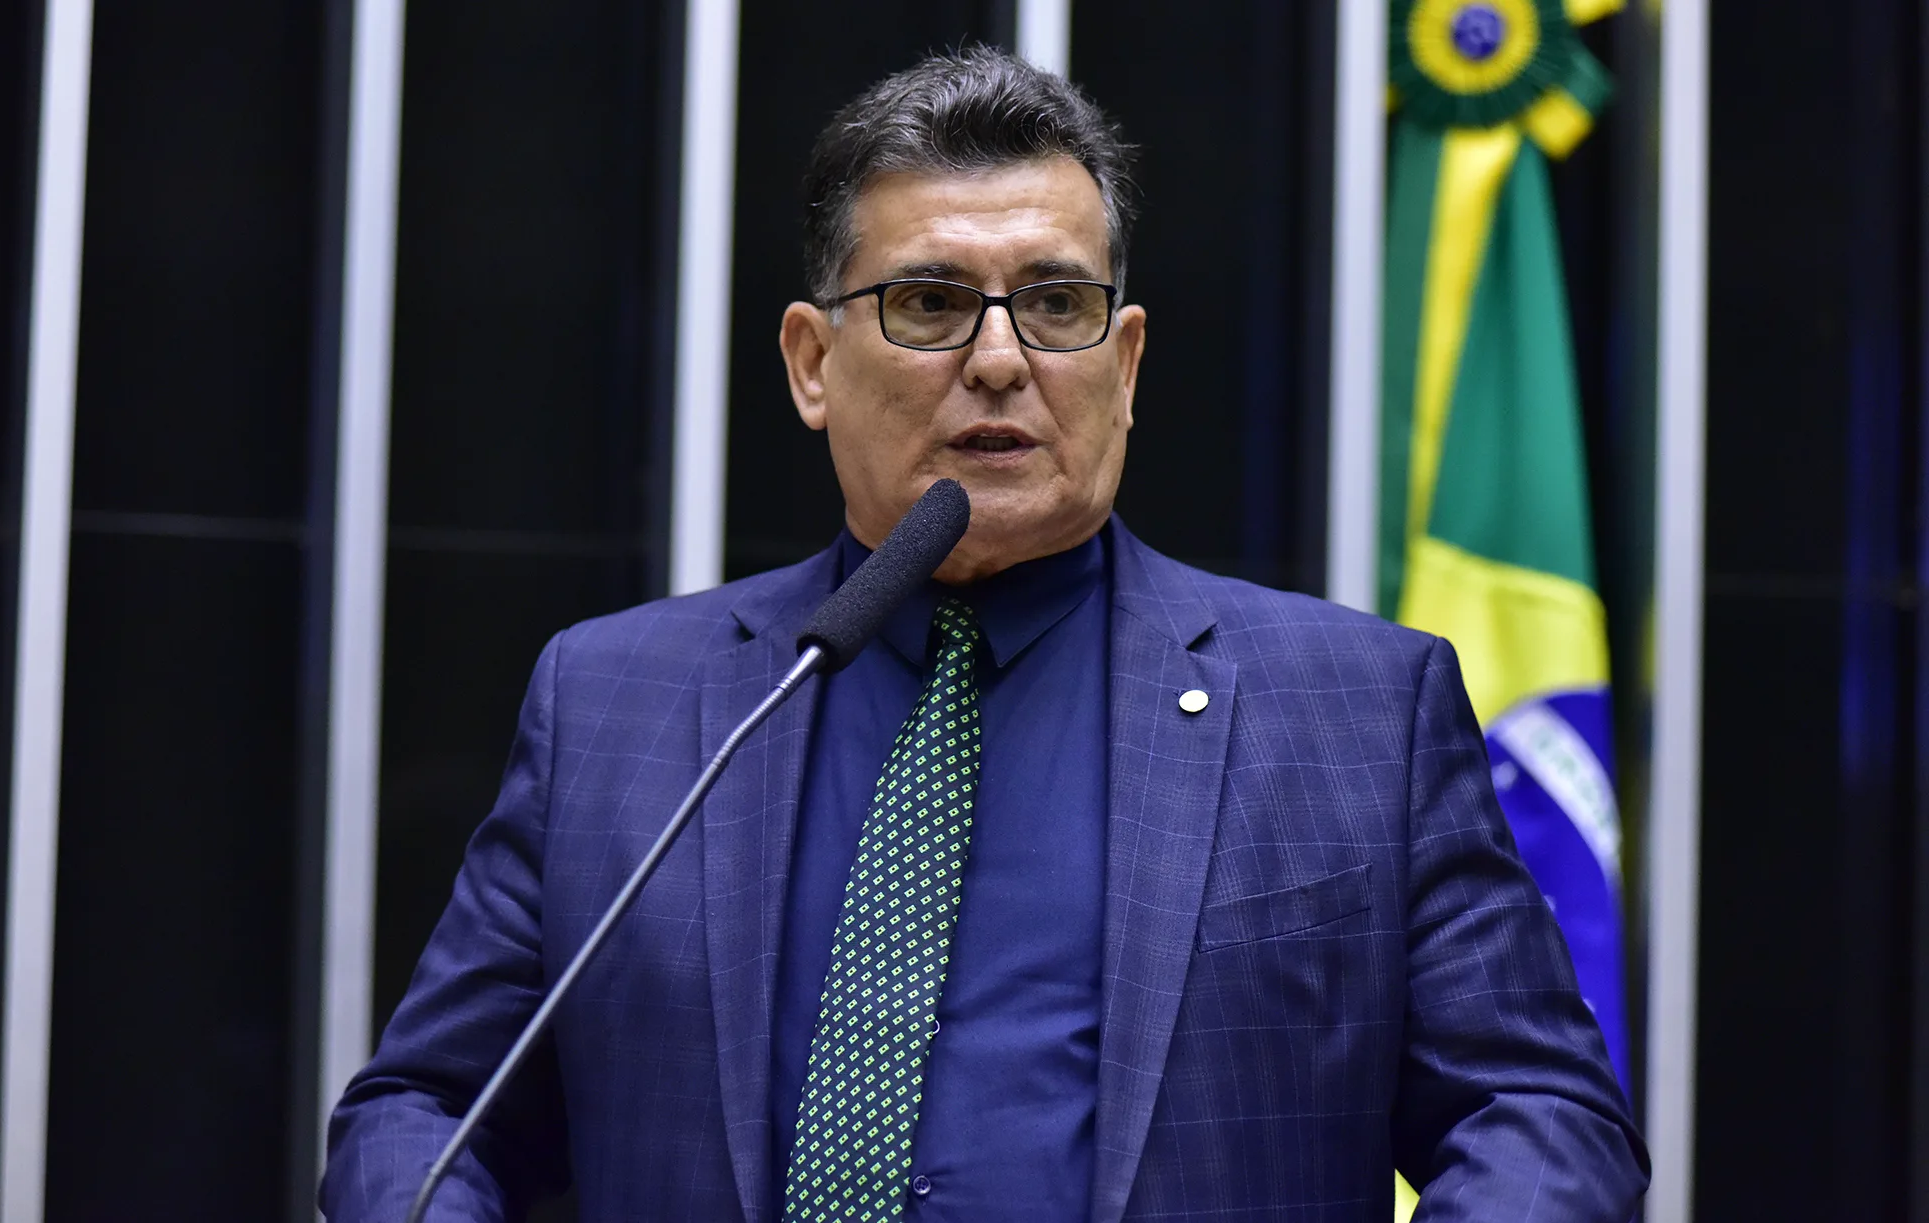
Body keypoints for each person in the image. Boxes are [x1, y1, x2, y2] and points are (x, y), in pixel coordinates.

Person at [323, 45, 1648, 1223]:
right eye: (930, 303)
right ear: (811, 363)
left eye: (1057, 304)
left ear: (1126, 365)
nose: (1002, 360)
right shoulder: (623, 702)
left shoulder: (1355, 710)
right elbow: (427, 1112)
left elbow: (1542, 1116)